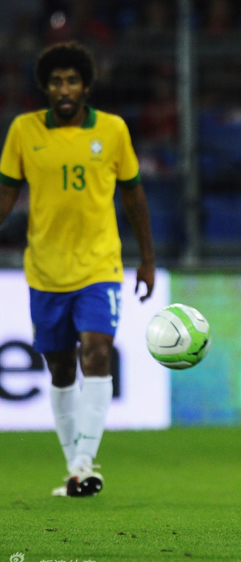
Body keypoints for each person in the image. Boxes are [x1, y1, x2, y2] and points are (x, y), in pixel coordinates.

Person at [0, 42, 155, 497]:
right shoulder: (24, 131)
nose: (63, 89)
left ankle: (86, 461)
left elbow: (133, 196)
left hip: (99, 265)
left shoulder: (112, 130)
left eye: (71, 80)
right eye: (55, 81)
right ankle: (76, 469)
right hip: (45, 269)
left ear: (86, 85)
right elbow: (6, 196)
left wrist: (146, 258)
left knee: (97, 352)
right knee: (61, 368)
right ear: (45, 87)